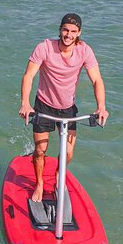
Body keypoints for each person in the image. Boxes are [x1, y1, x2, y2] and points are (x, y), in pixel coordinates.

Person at [18, 13, 109, 202]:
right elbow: (29, 76)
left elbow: (96, 80)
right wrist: (25, 103)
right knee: (41, 149)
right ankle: (40, 183)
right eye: (66, 30)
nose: (68, 34)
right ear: (60, 30)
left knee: (67, 152)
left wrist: (101, 107)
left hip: (68, 109)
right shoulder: (44, 47)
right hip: (43, 106)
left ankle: (59, 176)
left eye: (73, 31)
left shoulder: (84, 51)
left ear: (79, 33)